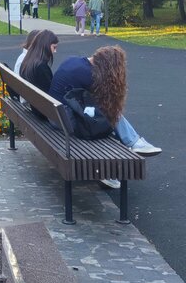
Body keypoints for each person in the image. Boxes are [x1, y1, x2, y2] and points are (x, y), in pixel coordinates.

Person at [50, 46, 161, 187]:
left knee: (103, 117)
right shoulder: (89, 75)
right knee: (107, 115)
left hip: (55, 114)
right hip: (63, 120)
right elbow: (107, 108)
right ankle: (116, 159)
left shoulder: (74, 60)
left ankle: (130, 144)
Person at [19, 29, 59, 93]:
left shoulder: (27, 60)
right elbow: (50, 92)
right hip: (40, 101)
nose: (55, 51)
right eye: (54, 47)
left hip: (31, 99)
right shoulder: (41, 67)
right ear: (46, 46)